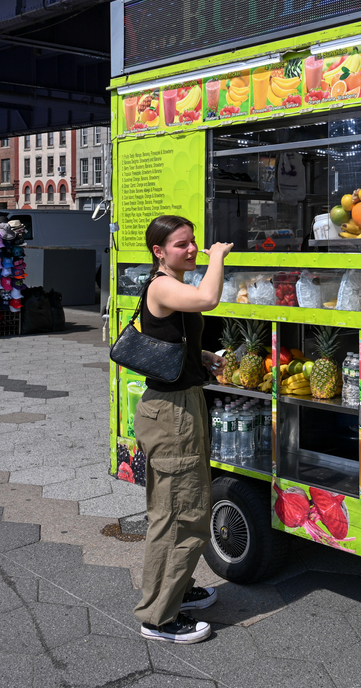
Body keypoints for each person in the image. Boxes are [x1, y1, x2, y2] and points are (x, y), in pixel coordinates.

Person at [132, 214, 232, 644]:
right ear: (159, 251)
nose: (192, 250)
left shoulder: (170, 285)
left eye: (194, 243)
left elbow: (171, 335)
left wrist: (203, 356)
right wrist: (219, 257)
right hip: (171, 414)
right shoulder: (162, 284)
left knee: (180, 506)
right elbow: (208, 299)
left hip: (179, 406)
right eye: (181, 245)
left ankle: (177, 590)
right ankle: (159, 618)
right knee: (180, 514)